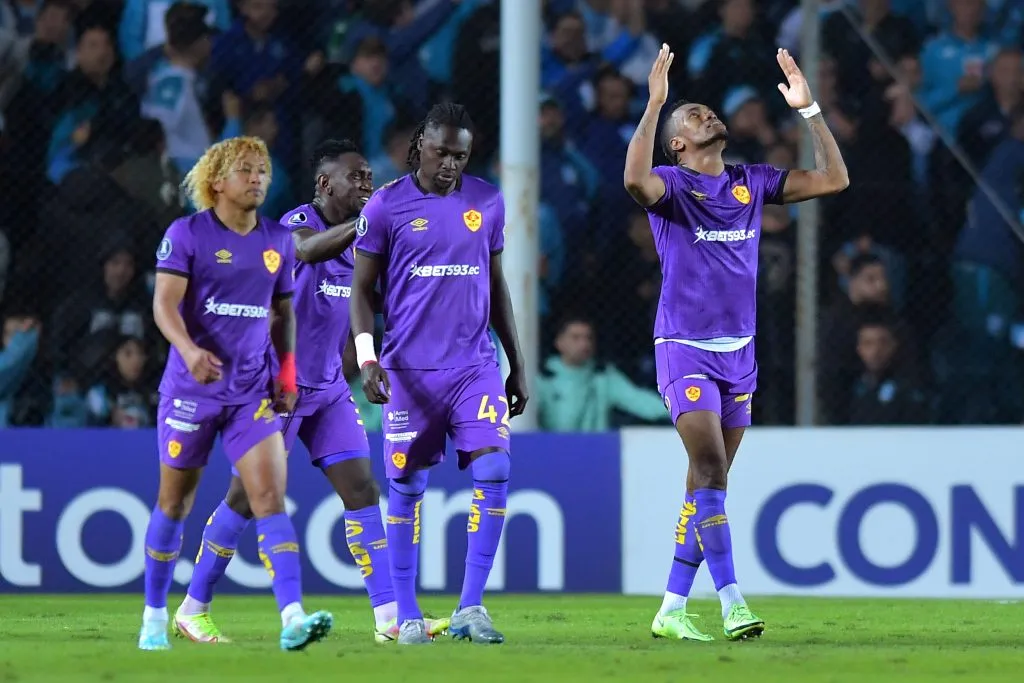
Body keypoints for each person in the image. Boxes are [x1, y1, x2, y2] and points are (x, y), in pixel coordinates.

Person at [171, 139, 448, 644]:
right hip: (275, 389)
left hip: (327, 393)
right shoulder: (293, 226)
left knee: (362, 490)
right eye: (356, 178)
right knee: (246, 498)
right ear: (324, 185)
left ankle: (390, 619)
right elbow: (303, 250)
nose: (366, 185)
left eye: (369, 178)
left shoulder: (361, 246)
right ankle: (193, 607)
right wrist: (370, 222)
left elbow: (377, 298)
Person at [623, 45, 848, 641]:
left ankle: (671, 607)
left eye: (703, 110)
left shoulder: (752, 181)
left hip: (740, 354)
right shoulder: (670, 186)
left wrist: (810, 111)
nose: (705, 116)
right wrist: (654, 104)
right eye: (691, 116)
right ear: (677, 145)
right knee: (710, 467)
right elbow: (632, 179)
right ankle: (732, 602)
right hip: (684, 346)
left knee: (704, 486)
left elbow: (834, 179)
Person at [139, 136, 333, 652]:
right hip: (192, 390)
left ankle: (292, 616)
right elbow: (164, 305)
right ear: (217, 181)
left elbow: (282, 314)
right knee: (174, 504)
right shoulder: (187, 234)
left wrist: (286, 374)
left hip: (251, 392)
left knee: (269, 500)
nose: (258, 179)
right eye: (246, 170)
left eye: (263, 171)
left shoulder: (277, 241)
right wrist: (188, 350)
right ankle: (155, 616)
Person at [350, 103, 528, 646]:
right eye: (441, 151)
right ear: (419, 147)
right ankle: (406, 616)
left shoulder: (487, 201)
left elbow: (496, 286)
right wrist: (367, 358)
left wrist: (516, 364)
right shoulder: (385, 207)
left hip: (474, 367)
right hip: (408, 372)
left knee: (495, 471)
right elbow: (360, 290)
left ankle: (472, 607)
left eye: (461, 154)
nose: (450, 163)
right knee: (405, 488)